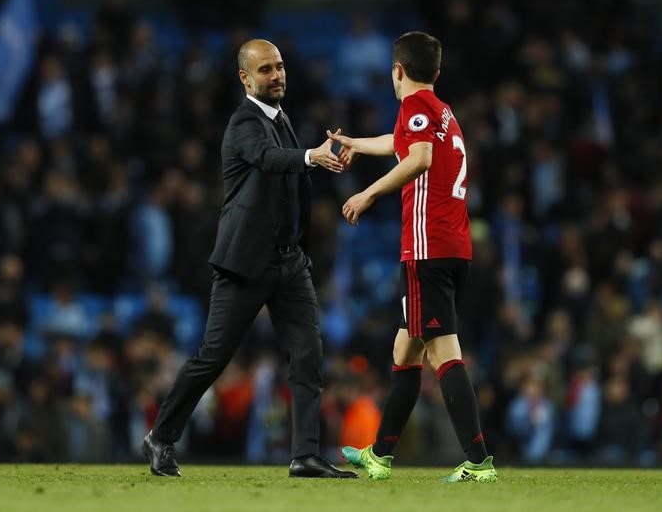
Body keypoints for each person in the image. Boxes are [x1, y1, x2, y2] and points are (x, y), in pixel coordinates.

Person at [142, 39, 356, 479]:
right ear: (245, 78)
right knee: (213, 358)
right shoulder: (243, 123)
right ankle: (161, 437)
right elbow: (267, 158)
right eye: (265, 70)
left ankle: (305, 455)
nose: (276, 75)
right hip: (246, 264)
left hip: (290, 262)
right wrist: (311, 156)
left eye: (279, 67)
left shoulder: (282, 118)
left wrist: (313, 159)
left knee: (307, 355)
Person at [330, 31, 497, 482]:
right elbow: (402, 143)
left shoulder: (415, 108)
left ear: (397, 71)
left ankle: (478, 463)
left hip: (427, 247)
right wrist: (356, 144)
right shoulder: (441, 112)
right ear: (436, 74)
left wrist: (367, 193)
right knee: (405, 349)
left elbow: (417, 157)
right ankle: (380, 457)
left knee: (444, 352)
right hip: (452, 246)